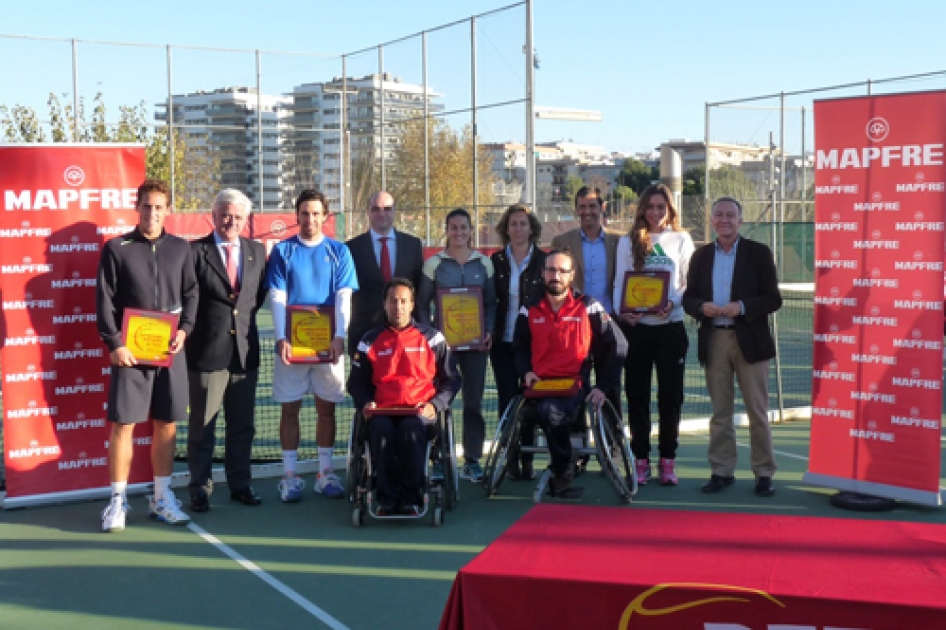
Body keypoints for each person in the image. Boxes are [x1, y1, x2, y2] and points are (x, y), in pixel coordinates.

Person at [96, 179, 198, 532]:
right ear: (136, 208)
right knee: (123, 424)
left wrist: (184, 330)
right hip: (130, 354)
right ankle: (117, 501)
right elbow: (105, 302)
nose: (152, 212)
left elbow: (191, 295)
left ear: (167, 210)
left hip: (170, 352)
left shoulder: (182, 249)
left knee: (166, 424)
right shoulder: (116, 249)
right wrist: (115, 343)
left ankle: (161, 497)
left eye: (158, 207)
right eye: (146, 206)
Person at [682, 197, 782, 497]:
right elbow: (689, 299)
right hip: (714, 340)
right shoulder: (701, 257)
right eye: (719, 215)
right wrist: (701, 307)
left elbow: (773, 298)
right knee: (721, 412)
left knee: (757, 411)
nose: (724, 220)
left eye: (730, 215)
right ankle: (721, 471)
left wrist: (742, 307)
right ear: (712, 221)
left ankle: (764, 473)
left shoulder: (759, 253)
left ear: (740, 221)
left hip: (751, 341)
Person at [266, 189, 359, 502]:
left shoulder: (339, 252)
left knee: (326, 409)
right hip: (292, 346)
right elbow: (277, 296)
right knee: (289, 409)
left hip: (327, 346)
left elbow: (344, 297)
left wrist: (340, 336)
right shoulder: (283, 252)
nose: (310, 219)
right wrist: (282, 337)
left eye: (316, 213)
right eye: (304, 213)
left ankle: (325, 472)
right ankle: (290, 476)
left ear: (325, 216)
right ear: (297, 216)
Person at [513, 249, 627, 496]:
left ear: (572, 275)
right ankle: (563, 458)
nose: (556, 275)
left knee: (549, 411)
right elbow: (519, 347)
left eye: (562, 271)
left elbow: (618, 345)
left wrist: (603, 387)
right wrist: (526, 372)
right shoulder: (528, 308)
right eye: (551, 270)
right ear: (543, 273)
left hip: (574, 385)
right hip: (539, 385)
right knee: (540, 410)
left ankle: (563, 467)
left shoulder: (589, 306)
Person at [348, 278, 461, 515]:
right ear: (384, 304)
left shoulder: (433, 339)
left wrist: (436, 405)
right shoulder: (369, 340)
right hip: (383, 412)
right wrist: (365, 403)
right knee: (381, 431)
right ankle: (387, 498)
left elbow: (452, 379)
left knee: (411, 430)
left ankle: (411, 497)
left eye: (403, 301)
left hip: (419, 412)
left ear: (412, 305)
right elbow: (356, 382)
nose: (398, 306)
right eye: (393, 301)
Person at [185, 189, 268, 512]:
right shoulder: (194, 252)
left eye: (237, 217)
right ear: (214, 216)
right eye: (225, 215)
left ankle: (240, 484)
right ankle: (199, 488)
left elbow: (254, 298)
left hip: (245, 354)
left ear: (246, 220)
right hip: (206, 353)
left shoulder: (257, 252)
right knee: (203, 426)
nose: (230, 222)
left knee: (242, 425)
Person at [613, 184, 694, 486]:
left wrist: (673, 303)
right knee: (637, 397)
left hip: (671, 330)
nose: (655, 213)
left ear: (670, 209)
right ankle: (641, 460)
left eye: (661, 207)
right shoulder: (627, 242)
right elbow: (620, 282)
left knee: (671, 397)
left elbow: (688, 282)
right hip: (637, 332)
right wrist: (625, 311)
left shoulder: (681, 239)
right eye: (650, 206)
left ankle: (668, 461)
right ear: (642, 209)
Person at [417, 208, 496, 483]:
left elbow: (490, 304)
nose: (459, 233)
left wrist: (488, 331)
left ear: (471, 231)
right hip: (443, 348)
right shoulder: (434, 264)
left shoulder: (484, 264)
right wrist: (430, 336)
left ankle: (472, 460)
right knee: (440, 401)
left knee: (473, 402)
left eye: (463, 227)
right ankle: (438, 459)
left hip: (475, 346)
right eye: (454, 227)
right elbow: (421, 304)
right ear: (446, 230)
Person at [550, 186, 622, 414]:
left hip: (607, 323)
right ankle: (576, 440)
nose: (587, 211)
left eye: (592, 206)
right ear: (576, 210)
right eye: (582, 206)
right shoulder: (561, 241)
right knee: (574, 387)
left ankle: (613, 444)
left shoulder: (619, 242)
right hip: (573, 325)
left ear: (602, 207)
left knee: (610, 389)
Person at [490, 204, 547, 481]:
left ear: (531, 227)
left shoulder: (543, 261)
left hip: (532, 345)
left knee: (529, 400)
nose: (518, 228)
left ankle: (527, 459)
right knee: (507, 400)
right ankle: (510, 458)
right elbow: (488, 302)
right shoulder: (496, 261)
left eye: (523, 223)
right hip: (502, 343)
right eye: (513, 223)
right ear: (506, 228)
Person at [346, 190, 424, 357]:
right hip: (365, 334)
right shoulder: (351, 248)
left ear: (395, 211)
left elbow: (418, 291)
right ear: (368, 212)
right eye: (376, 209)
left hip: (405, 334)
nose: (382, 213)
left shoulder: (413, 245)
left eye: (387, 209)